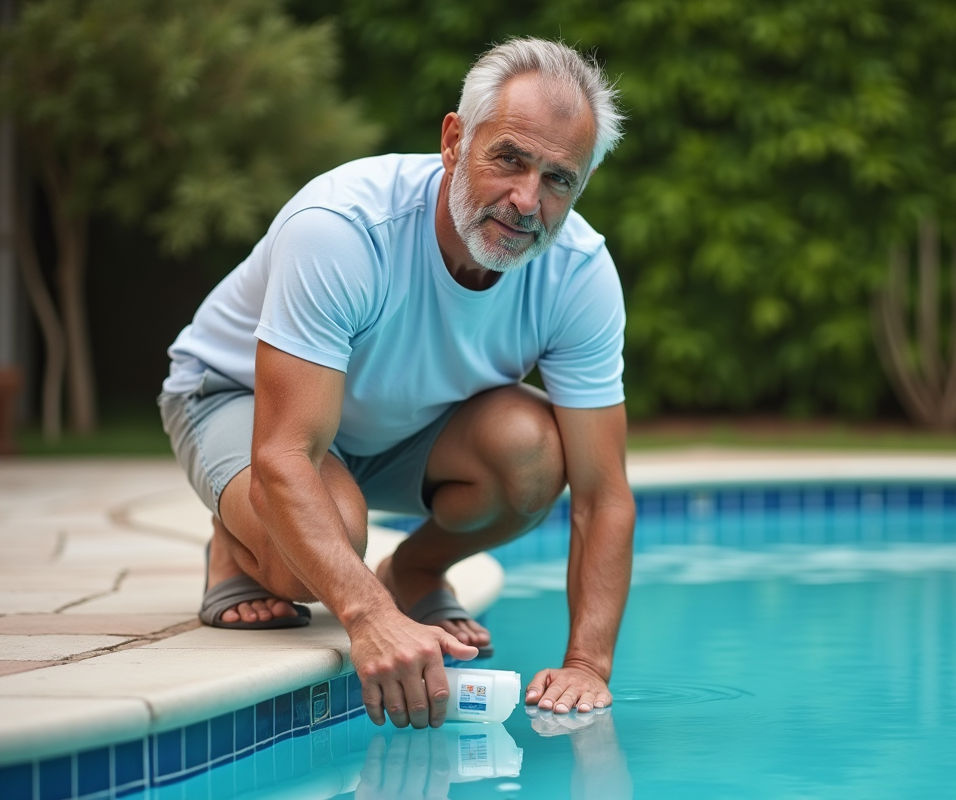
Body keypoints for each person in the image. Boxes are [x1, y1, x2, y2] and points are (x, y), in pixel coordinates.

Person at [157, 37, 635, 729]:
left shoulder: (579, 273)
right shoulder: (344, 227)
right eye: (509, 158)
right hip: (239, 399)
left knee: (536, 452)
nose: (526, 200)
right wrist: (369, 619)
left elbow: (603, 495)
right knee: (310, 563)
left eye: (560, 179)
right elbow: (285, 455)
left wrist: (587, 666)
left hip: (405, 425)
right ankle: (237, 542)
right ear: (453, 139)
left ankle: (411, 572)